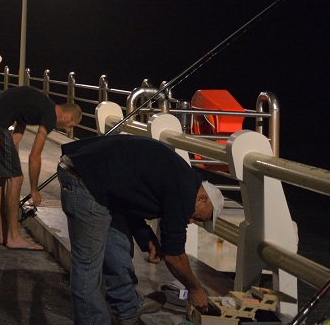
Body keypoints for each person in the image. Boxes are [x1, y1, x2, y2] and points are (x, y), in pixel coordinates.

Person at [58, 135, 225, 324]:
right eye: (198, 217)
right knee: (87, 264)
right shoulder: (184, 190)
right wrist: (195, 289)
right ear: (202, 199)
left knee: (119, 243)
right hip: (84, 180)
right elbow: (174, 256)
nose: (192, 220)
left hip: (99, 182)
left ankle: (127, 308)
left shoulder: (181, 181)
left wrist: (146, 237)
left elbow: (129, 195)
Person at [0, 87, 82, 249]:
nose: (67, 130)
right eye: (70, 126)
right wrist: (34, 189)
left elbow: (18, 131)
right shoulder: (49, 115)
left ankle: (4, 234)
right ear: (66, 117)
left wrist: (11, 157)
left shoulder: (39, 105)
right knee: (16, 178)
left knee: (1, 177)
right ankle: (14, 237)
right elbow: (34, 156)